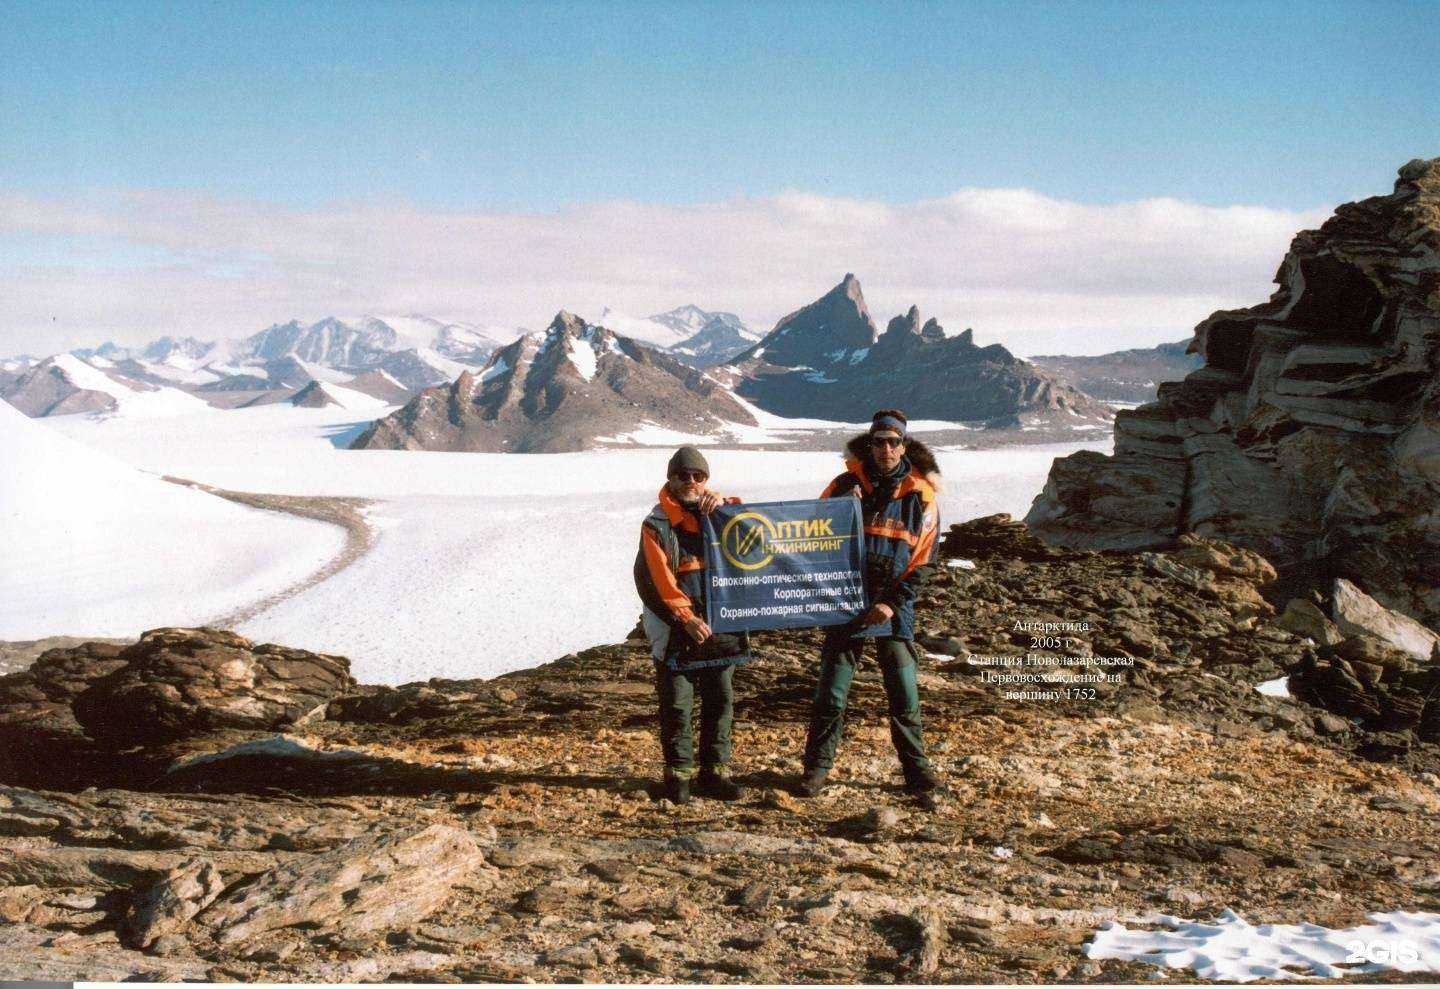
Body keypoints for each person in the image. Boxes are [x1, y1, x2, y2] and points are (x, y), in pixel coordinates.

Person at [798, 408, 944, 807]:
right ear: (870, 443)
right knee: (832, 693)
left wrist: (893, 604)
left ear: (904, 445)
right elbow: (811, 536)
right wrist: (839, 509)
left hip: (893, 613)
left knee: (904, 695)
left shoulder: (920, 495)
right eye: (879, 441)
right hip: (846, 606)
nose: (885, 449)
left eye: (893, 442)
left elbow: (924, 559)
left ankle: (916, 770)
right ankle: (817, 768)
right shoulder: (844, 485)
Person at [633, 445, 751, 805]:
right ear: (670, 478)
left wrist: (726, 505)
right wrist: (684, 618)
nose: (690, 481)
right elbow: (655, 580)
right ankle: (679, 776)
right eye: (683, 475)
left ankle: (716, 773)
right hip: (677, 632)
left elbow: (756, 540)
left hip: (720, 628)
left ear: (706, 480)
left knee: (721, 701)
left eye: (698, 476)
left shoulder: (721, 514)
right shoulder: (656, 526)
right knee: (677, 705)